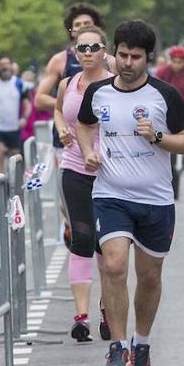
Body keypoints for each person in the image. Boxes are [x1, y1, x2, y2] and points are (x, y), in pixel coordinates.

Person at [76, 20, 184, 366]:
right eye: (123, 55)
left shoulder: (165, 95)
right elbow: (84, 124)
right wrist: (88, 151)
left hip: (156, 199)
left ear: (149, 58)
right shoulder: (98, 93)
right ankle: (117, 344)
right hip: (111, 193)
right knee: (113, 266)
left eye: (136, 57)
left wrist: (158, 137)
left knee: (149, 276)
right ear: (115, 52)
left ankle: (141, 343)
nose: (128, 63)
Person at [55, 26, 113, 342]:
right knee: (81, 237)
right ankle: (81, 317)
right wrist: (63, 129)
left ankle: (108, 307)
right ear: (74, 52)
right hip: (75, 169)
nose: (88, 53)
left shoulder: (114, 85)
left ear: (105, 51)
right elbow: (58, 111)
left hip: (109, 173)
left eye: (94, 47)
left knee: (106, 244)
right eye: (82, 48)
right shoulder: (68, 84)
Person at [35, 2, 107, 114]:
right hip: (65, 126)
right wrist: (69, 103)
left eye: (87, 23)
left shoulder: (110, 60)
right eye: (77, 25)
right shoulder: (59, 60)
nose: (82, 27)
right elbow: (40, 99)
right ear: (71, 31)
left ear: (96, 27)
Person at [0, 54, 31, 175]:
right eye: (1, 65)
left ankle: (15, 186)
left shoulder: (20, 84)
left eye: (7, 64)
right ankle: (0, 184)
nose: (4, 67)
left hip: (14, 127)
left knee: (15, 157)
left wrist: (24, 118)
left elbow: (28, 104)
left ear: (11, 66)